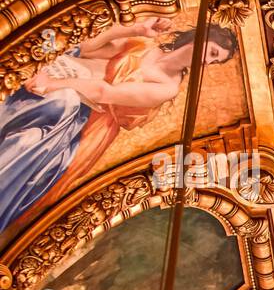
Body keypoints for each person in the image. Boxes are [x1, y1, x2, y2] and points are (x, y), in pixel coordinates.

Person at [0, 20, 237, 233]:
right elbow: (89, 47)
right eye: (213, 52)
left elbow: (106, 92)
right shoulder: (148, 45)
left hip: (88, 121)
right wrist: (133, 29)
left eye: (216, 60)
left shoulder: (168, 86)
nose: (208, 61)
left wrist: (52, 83)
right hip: (74, 81)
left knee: (57, 112)